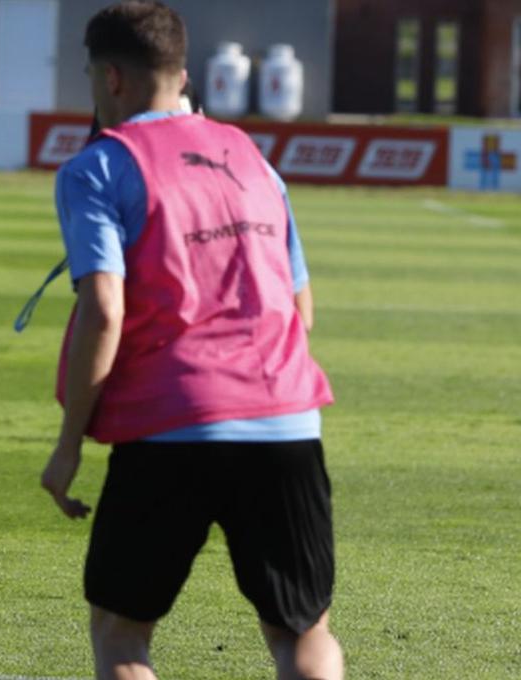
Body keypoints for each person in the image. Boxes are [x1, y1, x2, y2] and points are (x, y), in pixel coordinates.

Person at [39, 3, 343, 679]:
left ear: (111, 78)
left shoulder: (98, 166)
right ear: (180, 72)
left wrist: (67, 447)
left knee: (121, 635)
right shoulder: (251, 156)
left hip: (173, 425)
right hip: (285, 418)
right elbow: (302, 308)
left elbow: (104, 310)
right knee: (302, 630)